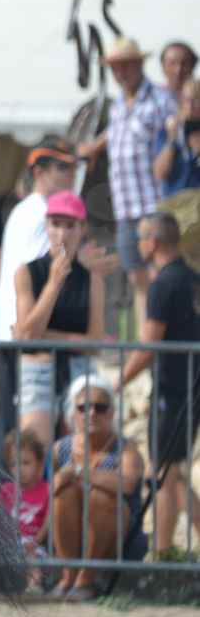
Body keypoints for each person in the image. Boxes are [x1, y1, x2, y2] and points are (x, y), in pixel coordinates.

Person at [120, 212, 200, 556]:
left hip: (174, 389)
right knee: (172, 471)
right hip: (191, 385)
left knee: (166, 474)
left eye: (140, 237)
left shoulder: (164, 284)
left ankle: (164, 551)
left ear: (153, 242)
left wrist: (118, 382)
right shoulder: (193, 278)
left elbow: (149, 346)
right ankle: (165, 550)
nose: (138, 244)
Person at [79, 37, 178, 313]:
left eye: (125, 66)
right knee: (137, 277)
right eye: (115, 68)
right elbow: (115, 133)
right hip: (125, 207)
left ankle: (162, 341)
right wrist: (95, 147)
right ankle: (145, 343)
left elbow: (176, 138)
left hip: (153, 204)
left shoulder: (160, 99)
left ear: (138, 65)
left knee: (161, 274)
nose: (120, 73)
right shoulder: (118, 105)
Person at [12, 191, 106, 448]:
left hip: (78, 370)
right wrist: (53, 284)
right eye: (56, 224)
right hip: (38, 368)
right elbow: (29, 338)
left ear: (82, 229)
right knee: (35, 448)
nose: (62, 234)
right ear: (46, 226)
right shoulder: (27, 272)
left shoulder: (92, 279)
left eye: (70, 225)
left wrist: (47, 336)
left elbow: (95, 342)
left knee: (79, 452)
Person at [48, 374, 144, 600]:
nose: (91, 414)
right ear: (74, 413)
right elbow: (53, 486)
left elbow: (128, 484)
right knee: (64, 494)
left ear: (111, 413)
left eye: (100, 408)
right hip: (70, 529)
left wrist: (81, 472)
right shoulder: (59, 449)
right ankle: (69, 574)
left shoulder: (126, 448)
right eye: (84, 407)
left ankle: (87, 578)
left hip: (117, 535)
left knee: (101, 498)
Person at [0, 137, 77, 347]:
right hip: (26, 336)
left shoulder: (28, 210)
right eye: (62, 167)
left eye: (72, 166)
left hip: (20, 333)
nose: (71, 173)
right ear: (39, 172)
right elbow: (36, 276)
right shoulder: (41, 214)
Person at [0, 430, 50, 587]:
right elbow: (0, 519)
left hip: (35, 545)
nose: (19, 469)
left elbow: (49, 521)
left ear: (40, 465)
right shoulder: (6, 489)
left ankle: (33, 586)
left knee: (33, 558)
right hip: (10, 543)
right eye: (14, 464)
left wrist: (35, 541)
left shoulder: (47, 490)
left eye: (26, 463)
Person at [154, 77, 200, 197]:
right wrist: (172, 141)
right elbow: (159, 174)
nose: (190, 106)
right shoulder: (168, 130)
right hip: (175, 204)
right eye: (187, 100)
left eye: (196, 101)